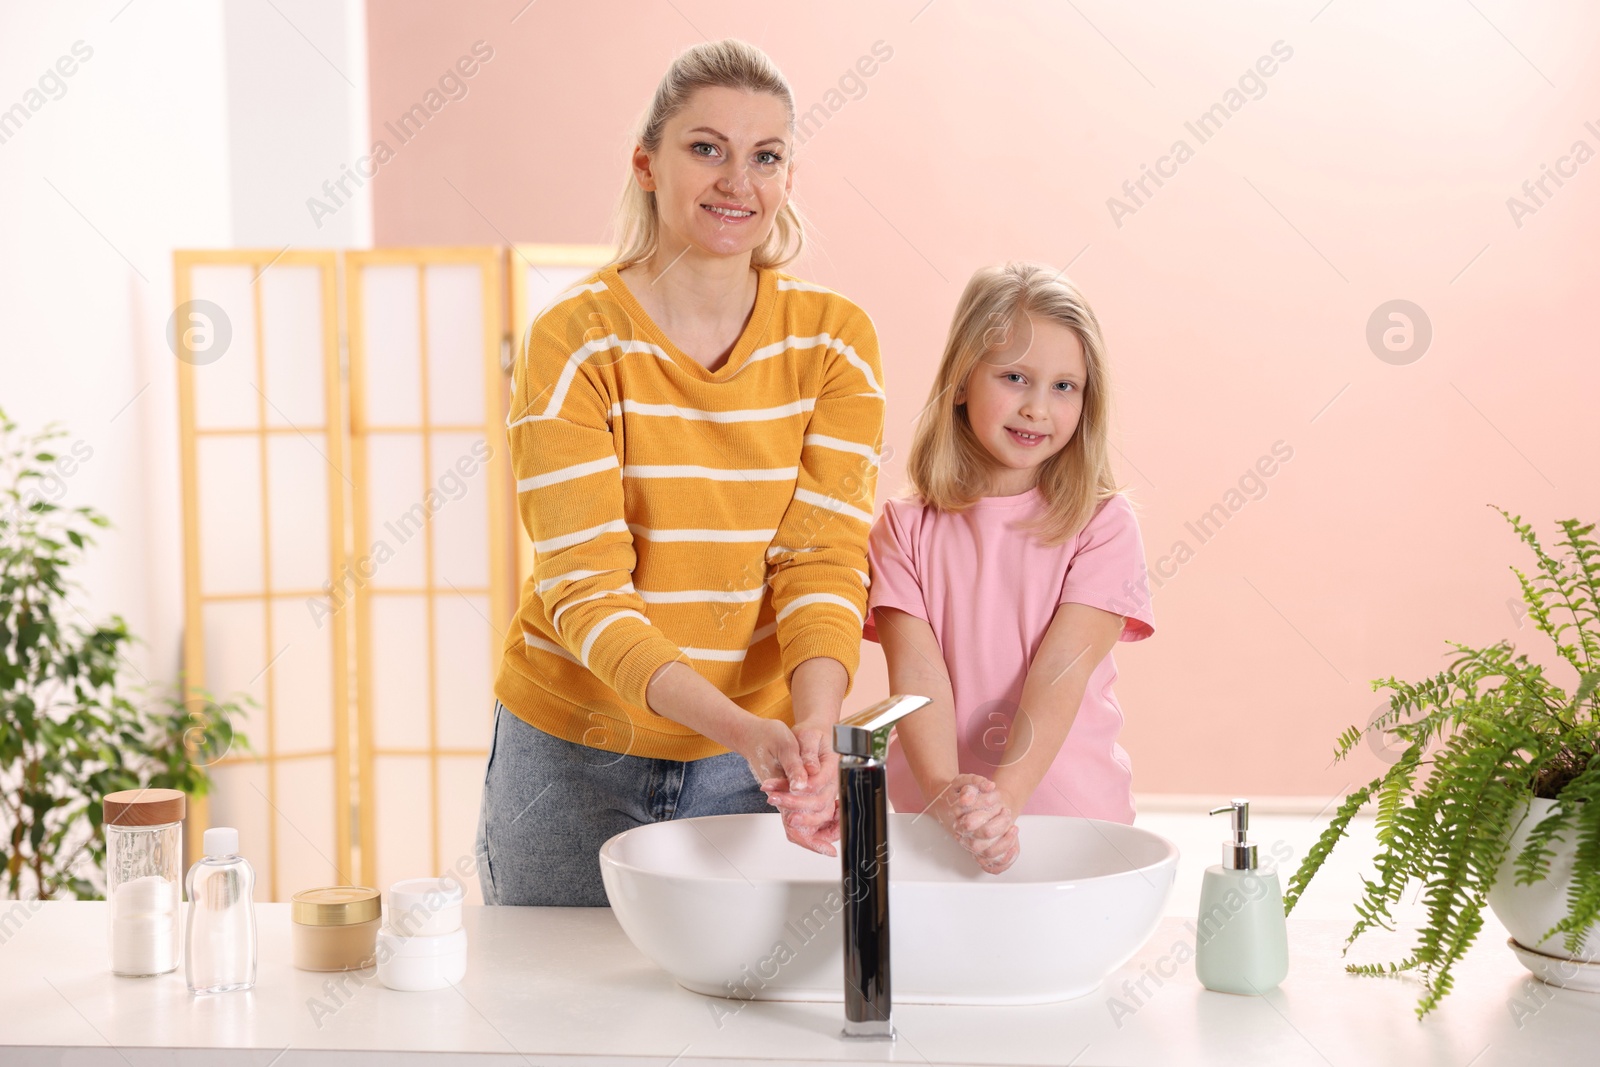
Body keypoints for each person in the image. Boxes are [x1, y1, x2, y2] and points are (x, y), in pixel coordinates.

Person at [475, 39, 884, 906]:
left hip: (759, 765)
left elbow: (822, 559)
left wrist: (810, 732)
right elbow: (586, 590)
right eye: (707, 147)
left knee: (742, 1029)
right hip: (574, 750)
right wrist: (746, 729)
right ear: (647, 164)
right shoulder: (573, 342)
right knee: (559, 1018)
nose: (739, 181)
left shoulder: (836, 341)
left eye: (765, 156)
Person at [858, 262, 1154, 874]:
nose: (1037, 409)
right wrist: (946, 792)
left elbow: (1059, 676)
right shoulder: (903, 529)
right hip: (930, 826)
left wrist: (1004, 804)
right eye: (1016, 377)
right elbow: (917, 679)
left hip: (1072, 826)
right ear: (963, 380)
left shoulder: (1103, 524)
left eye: (1064, 387)